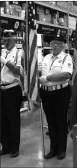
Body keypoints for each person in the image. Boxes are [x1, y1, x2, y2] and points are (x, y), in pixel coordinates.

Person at [39, 36, 73, 160]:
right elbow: (40, 72)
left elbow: (66, 75)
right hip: (46, 93)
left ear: (63, 45)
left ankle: (61, 149)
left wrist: (47, 78)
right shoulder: (46, 57)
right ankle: (53, 148)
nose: (54, 46)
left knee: (61, 121)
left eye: (57, 44)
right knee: (51, 122)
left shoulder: (66, 57)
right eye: (52, 43)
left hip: (60, 93)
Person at [0, 30, 23, 158]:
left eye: (8, 40)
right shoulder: (2, 52)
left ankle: (14, 147)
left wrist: (5, 61)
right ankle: (6, 146)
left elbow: (18, 71)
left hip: (12, 89)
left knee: (13, 119)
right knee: (2, 120)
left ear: (14, 40)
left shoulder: (19, 53)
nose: (5, 42)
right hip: (1, 89)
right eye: (4, 40)